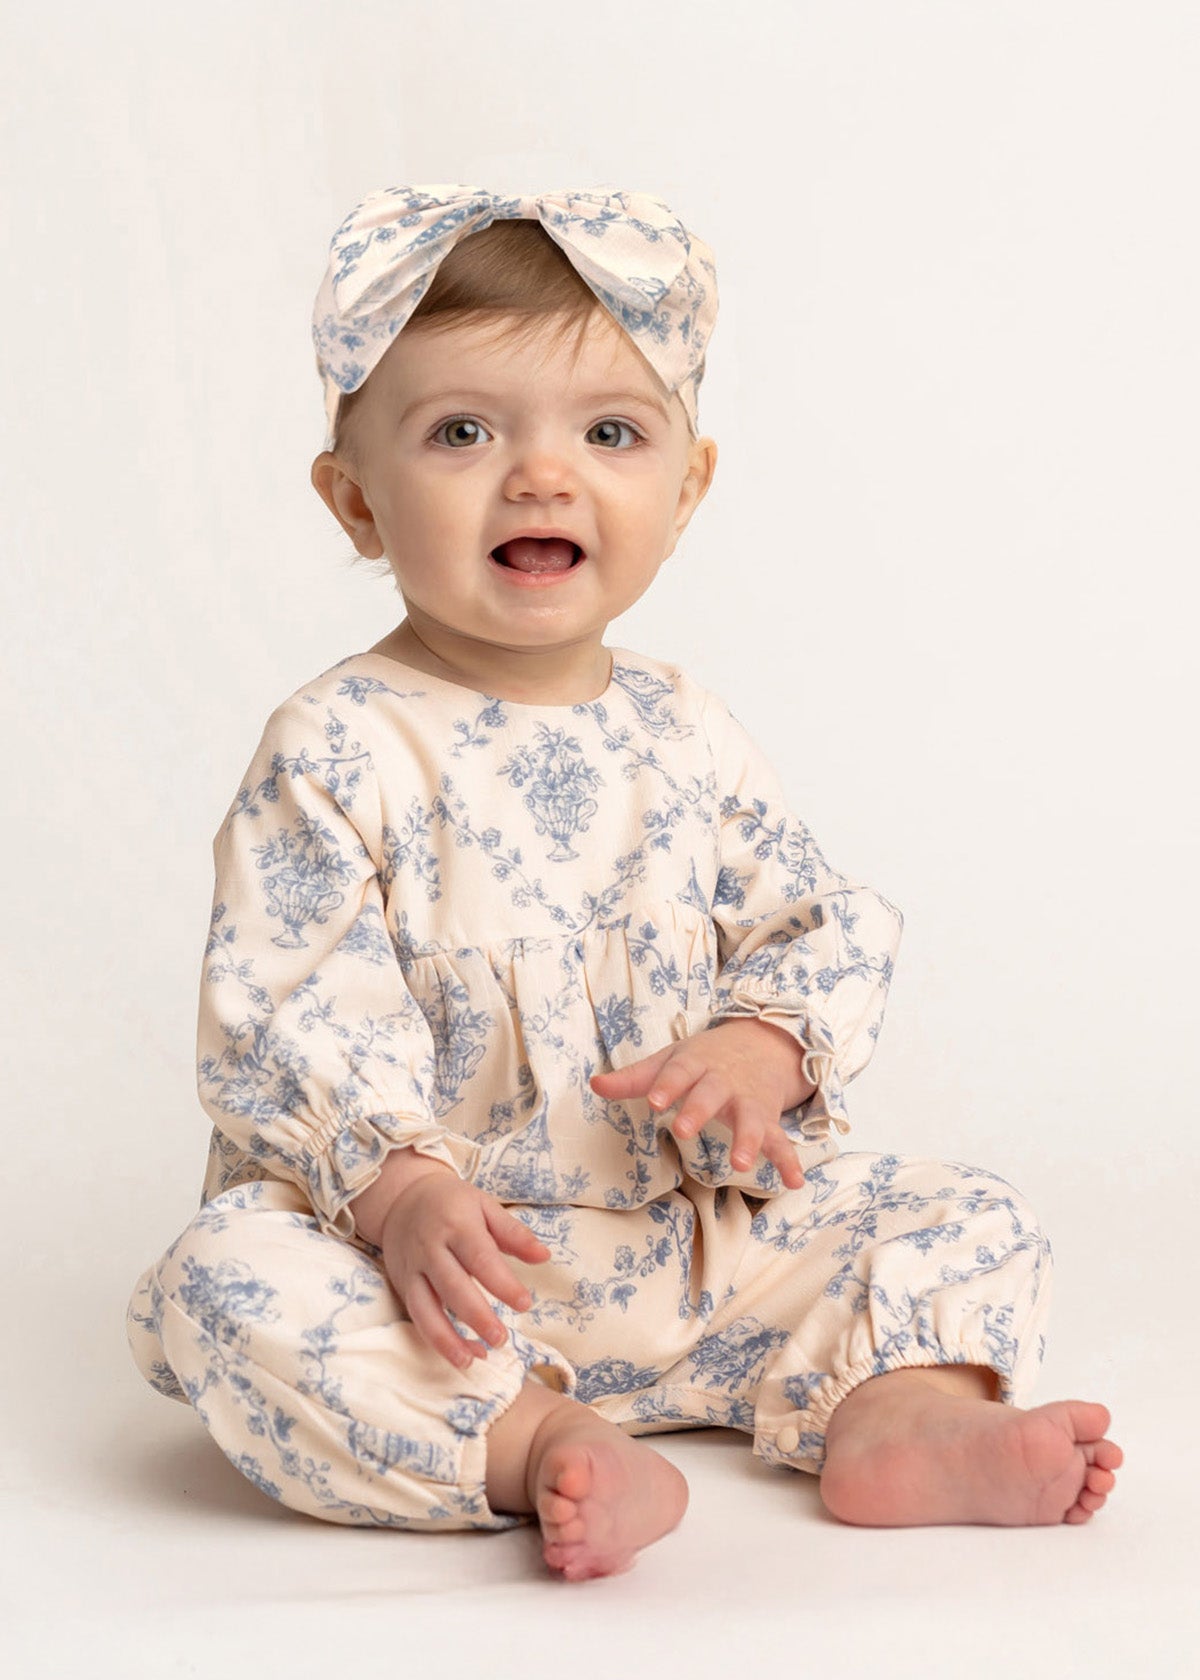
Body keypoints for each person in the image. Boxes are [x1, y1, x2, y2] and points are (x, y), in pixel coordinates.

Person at [126, 184, 1122, 1581]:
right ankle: (532, 1441)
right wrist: (400, 1197)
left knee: (965, 1212)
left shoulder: (684, 732)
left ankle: (899, 1416)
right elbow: (290, 1005)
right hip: (450, 1284)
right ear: (356, 501)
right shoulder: (338, 746)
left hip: (694, 1251)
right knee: (223, 1288)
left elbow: (812, 921)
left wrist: (763, 1045)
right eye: (462, 432)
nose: (542, 477)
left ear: (687, 488)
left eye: (609, 434)